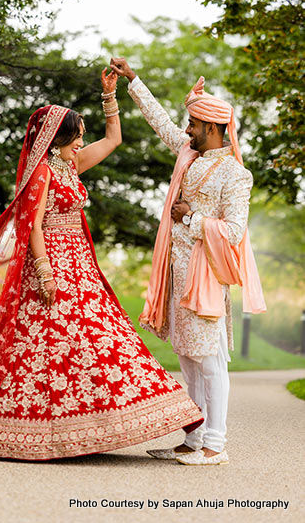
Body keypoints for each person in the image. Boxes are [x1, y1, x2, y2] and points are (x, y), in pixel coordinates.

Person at [0, 68, 203, 460]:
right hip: (51, 263)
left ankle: (98, 425)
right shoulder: (44, 172)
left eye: (82, 134)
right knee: (43, 346)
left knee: (99, 340)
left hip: (80, 264)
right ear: (58, 139)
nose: (82, 141)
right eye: (77, 135)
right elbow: (31, 224)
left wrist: (110, 97)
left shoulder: (72, 164)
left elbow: (114, 139)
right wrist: (46, 272)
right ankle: (19, 431)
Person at [110, 58, 266, 466]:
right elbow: (161, 123)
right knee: (188, 357)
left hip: (207, 276)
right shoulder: (190, 155)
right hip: (178, 272)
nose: (188, 131)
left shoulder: (235, 174)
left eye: (194, 125)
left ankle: (216, 444)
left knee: (210, 360)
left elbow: (233, 231)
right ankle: (193, 439)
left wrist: (191, 218)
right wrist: (133, 81)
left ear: (212, 128)